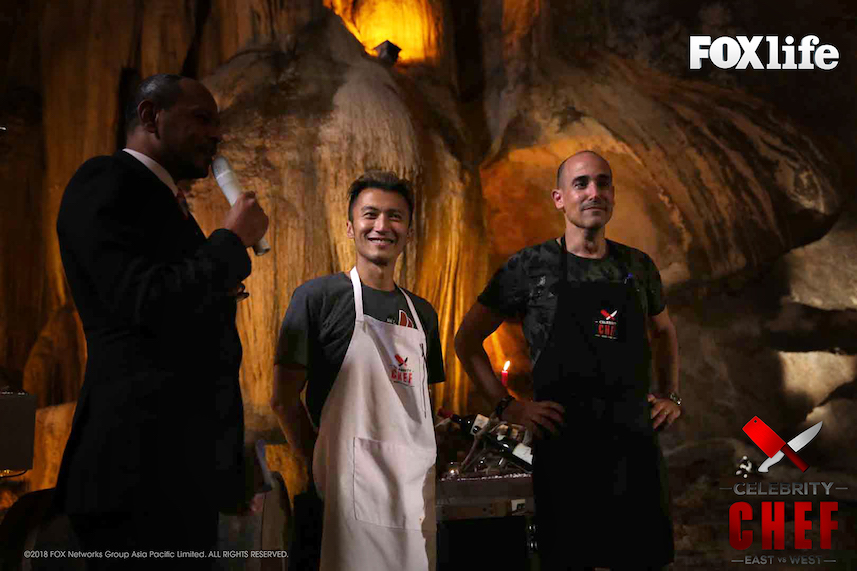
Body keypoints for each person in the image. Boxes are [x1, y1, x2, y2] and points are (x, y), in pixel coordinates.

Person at [53, 74, 269, 560]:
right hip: (133, 474)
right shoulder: (105, 180)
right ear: (151, 116)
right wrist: (230, 242)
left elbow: (192, 344)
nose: (216, 135)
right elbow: (144, 300)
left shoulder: (170, 206)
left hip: (180, 478)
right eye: (202, 118)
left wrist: (227, 460)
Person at [454, 151, 680, 570]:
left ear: (613, 194)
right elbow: (466, 342)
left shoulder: (638, 267)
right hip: (564, 452)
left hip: (632, 448)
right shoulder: (528, 268)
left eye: (603, 182)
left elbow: (664, 332)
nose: (594, 192)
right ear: (559, 198)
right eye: (581, 184)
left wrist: (671, 395)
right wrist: (508, 407)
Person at [271, 171, 445, 571]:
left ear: (409, 231)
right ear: (350, 227)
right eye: (370, 214)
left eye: (395, 216)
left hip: (412, 495)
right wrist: (322, 464)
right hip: (345, 492)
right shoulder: (318, 298)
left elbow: (422, 407)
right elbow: (283, 399)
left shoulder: (424, 315)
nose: (382, 225)